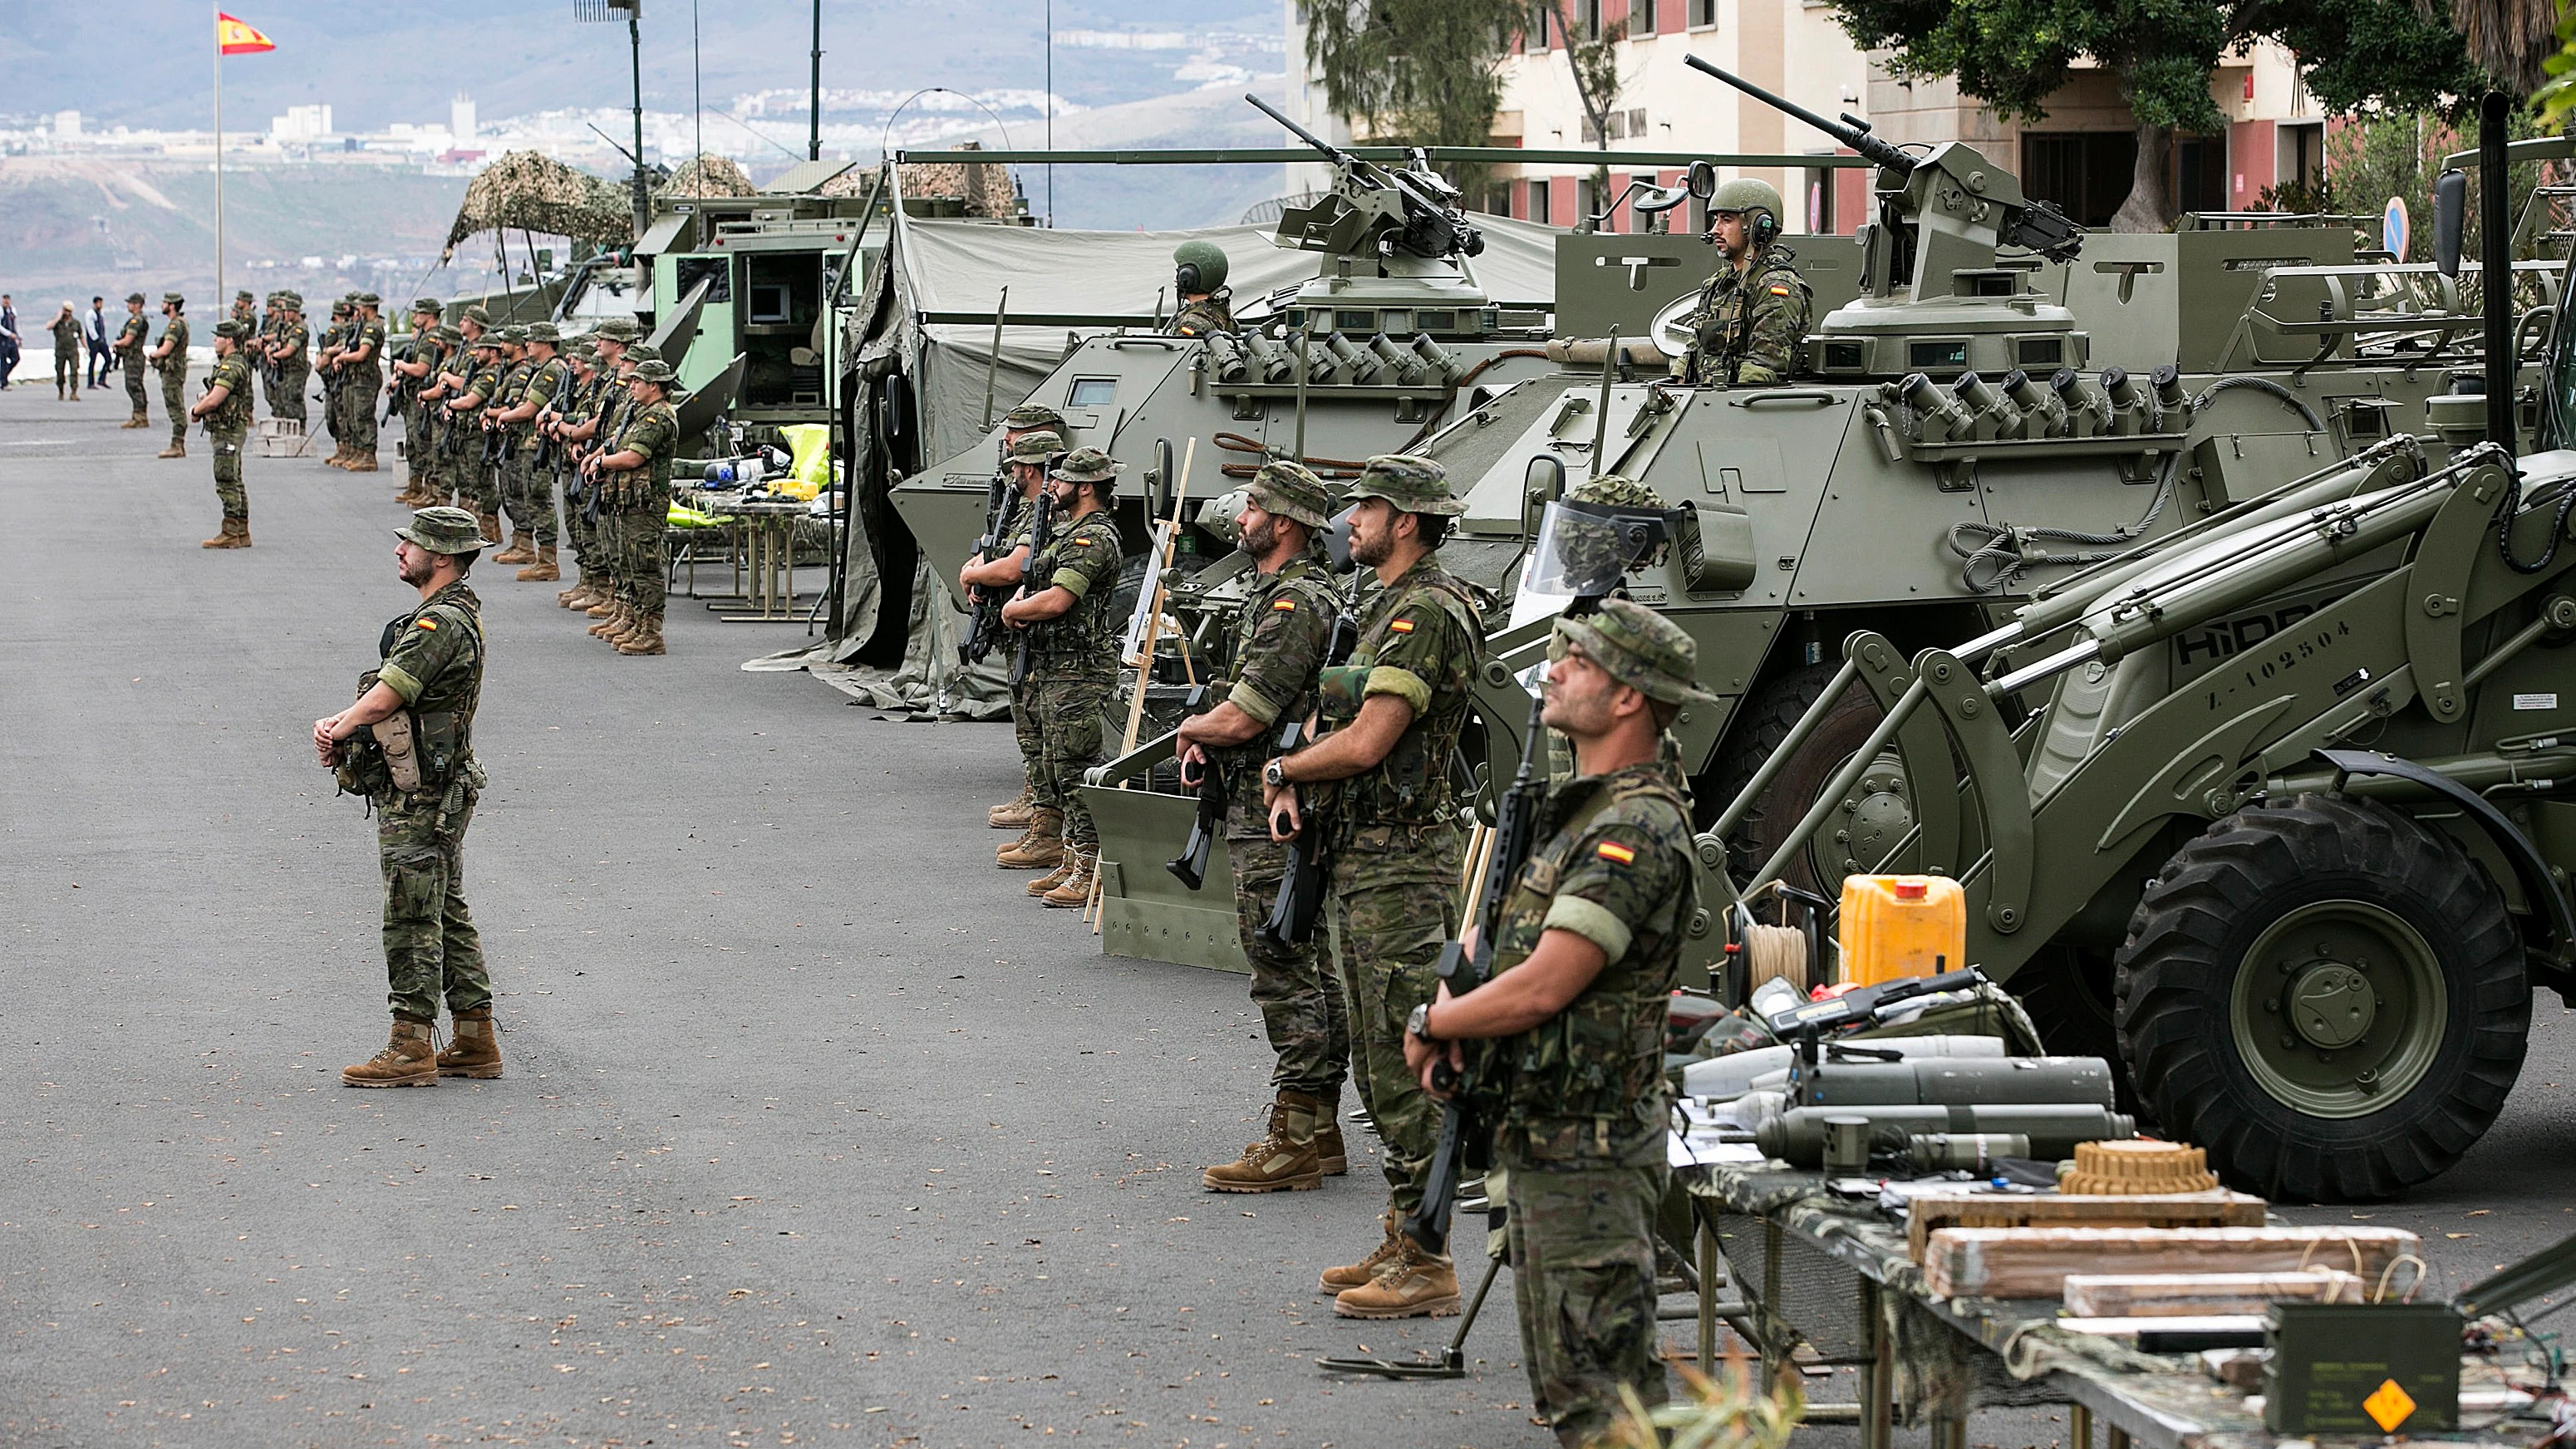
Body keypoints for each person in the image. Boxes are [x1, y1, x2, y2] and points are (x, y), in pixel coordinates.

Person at [1404, 597, 1709, 1447]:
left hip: (1593, 1149)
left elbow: (1546, 984)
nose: (1557, 670)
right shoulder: (1582, 807)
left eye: (1579, 662)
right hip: (1548, 1134)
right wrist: (1454, 1005)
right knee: (1575, 1391)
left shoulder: (1634, 827)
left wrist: (1440, 1019)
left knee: (1607, 1401)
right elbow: (1503, 939)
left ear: (1628, 699)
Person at [1261, 453, 1484, 1319]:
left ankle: (1427, 1258)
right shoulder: (1384, 605)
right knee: (1372, 1053)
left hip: (1401, 864)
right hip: (1365, 855)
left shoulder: (1424, 609)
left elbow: (1367, 742)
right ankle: (1404, 1229)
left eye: (1370, 508)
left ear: (1409, 521)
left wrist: (1284, 765)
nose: (1352, 520)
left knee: (1401, 1059)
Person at [1174, 460, 1353, 1191]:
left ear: (1282, 523)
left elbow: (1249, 714)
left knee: (1282, 962)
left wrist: (1195, 726)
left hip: (1274, 806)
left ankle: (1294, 1139)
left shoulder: (1294, 604)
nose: (1240, 516)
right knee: (1304, 957)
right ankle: (1321, 1128)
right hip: (1270, 800)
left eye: (1252, 506)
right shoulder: (1286, 595)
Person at [316, 505, 499, 1088]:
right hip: (438, 786)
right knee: (444, 908)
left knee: (411, 915)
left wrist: (339, 727)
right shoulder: (448, 616)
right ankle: (474, 1038)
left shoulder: (439, 624)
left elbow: (390, 693)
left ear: (441, 557)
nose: (401, 551)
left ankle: (410, 1045)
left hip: (422, 794)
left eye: (412, 544)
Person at [998, 445, 1126, 906]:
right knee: (1058, 767)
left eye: (1063, 480)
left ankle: (1091, 866)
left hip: (1080, 671)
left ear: (1085, 487)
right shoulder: (1068, 531)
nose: (1053, 485)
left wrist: (1016, 609)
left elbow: (1057, 600)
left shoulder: (1093, 538)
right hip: (1058, 666)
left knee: (1077, 771)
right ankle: (1073, 857)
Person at [969, 427, 1071, 868]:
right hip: (1025, 626)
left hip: (1044, 635)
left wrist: (974, 576)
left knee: (1044, 730)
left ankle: (1050, 826)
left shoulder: (1046, 514)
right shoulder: (1027, 509)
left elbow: (1015, 567)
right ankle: (1041, 811)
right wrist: (978, 568)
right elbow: (999, 552)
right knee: (1030, 722)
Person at [584, 356, 681, 656]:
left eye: (638, 381)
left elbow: (634, 457)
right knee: (627, 562)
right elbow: (616, 441)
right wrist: (596, 455)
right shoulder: (641, 413)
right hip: (629, 500)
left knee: (645, 565)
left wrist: (601, 462)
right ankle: (634, 621)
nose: (632, 385)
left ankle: (651, 632)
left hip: (646, 503)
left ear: (654, 385)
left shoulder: (659, 417)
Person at [1676, 176, 1811, 386]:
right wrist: (1678, 380)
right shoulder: (1717, 283)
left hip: (1740, 406)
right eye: (1716, 220)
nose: (1715, 230)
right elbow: (1695, 348)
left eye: (1726, 220)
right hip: (1705, 400)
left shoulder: (1776, 286)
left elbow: (1764, 366)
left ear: (1758, 227)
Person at [491, 321, 568, 581]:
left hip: (538, 444)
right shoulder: (543, 368)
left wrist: (504, 417)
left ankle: (548, 560)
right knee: (530, 496)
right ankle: (532, 550)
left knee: (539, 499)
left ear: (546, 343)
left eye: (533, 341)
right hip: (529, 442)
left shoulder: (553, 370)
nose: (527, 345)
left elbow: (529, 408)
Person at [188, 320, 259, 548]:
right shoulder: (235, 363)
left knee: (226, 479)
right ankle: (241, 530)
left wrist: (196, 410)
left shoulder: (231, 366)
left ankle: (230, 533)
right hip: (232, 427)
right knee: (235, 479)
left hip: (227, 430)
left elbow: (216, 398)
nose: (214, 340)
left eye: (218, 336)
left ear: (230, 340)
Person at [391, 300, 448, 507]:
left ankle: (431, 490)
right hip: (416, 394)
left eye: (418, 313)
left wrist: (403, 366)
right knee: (415, 442)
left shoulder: (431, 338)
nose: (414, 316)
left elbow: (422, 369)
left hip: (425, 397)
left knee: (425, 444)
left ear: (429, 315)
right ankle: (419, 486)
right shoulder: (422, 337)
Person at [337, 292, 388, 471]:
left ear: (368, 307)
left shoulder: (372, 328)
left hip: (366, 378)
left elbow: (361, 354)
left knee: (363, 415)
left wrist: (342, 358)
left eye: (360, 306)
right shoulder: (364, 326)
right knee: (354, 415)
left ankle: (368, 455)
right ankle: (359, 452)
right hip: (358, 377)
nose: (357, 308)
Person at [147, 292, 191, 458]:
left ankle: (177, 444)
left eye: (164, 302)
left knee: (175, 407)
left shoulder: (176, 325)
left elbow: (166, 349)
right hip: (174, 370)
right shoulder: (179, 323)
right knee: (175, 405)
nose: (162, 305)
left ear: (171, 306)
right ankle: (177, 444)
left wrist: (153, 355)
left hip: (172, 372)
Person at [1168, 240, 1236, 336]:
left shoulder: (1192, 324)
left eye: (1180, 274)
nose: (1176, 280)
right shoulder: (1221, 314)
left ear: (1189, 278)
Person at [268, 292, 311, 428]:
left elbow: (289, 350)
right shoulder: (288, 327)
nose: (285, 314)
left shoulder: (299, 329)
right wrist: (272, 351)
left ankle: (300, 428)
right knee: (283, 401)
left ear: (294, 312)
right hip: (286, 370)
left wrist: (275, 355)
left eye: (287, 311)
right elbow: (279, 344)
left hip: (296, 370)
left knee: (294, 400)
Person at [113, 293, 151, 427]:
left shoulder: (136, 321)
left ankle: (140, 417)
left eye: (130, 303)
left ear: (137, 305)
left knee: (134, 386)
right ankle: (138, 415)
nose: (128, 305)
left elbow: (128, 340)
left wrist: (117, 343)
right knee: (134, 385)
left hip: (134, 357)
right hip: (133, 357)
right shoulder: (137, 320)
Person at [48, 301, 81, 400]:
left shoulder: (76, 323)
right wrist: (58, 317)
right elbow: (48, 327)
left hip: (73, 350)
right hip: (60, 351)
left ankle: (74, 392)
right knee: (60, 372)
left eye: (69, 311)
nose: (67, 313)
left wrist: (86, 347)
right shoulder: (57, 323)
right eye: (65, 310)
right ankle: (61, 390)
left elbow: (81, 335)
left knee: (74, 371)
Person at [85, 295, 110, 390]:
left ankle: (102, 379)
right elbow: (90, 328)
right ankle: (90, 382)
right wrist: (96, 339)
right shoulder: (90, 314)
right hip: (94, 341)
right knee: (92, 361)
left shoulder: (101, 313)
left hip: (102, 340)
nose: (101, 305)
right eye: (99, 303)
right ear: (95, 303)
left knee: (108, 359)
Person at [0, 293, 19, 388]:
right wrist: (8, 333)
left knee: (15, 358)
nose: (6, 302)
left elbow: (15, 324)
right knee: (3, 360)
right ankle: (4, 382)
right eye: (4, 300)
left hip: (12, 339)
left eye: (8, 300)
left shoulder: (13, 310)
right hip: (2, 339)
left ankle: (2, 376)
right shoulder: (0, 311)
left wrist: (19, 337)